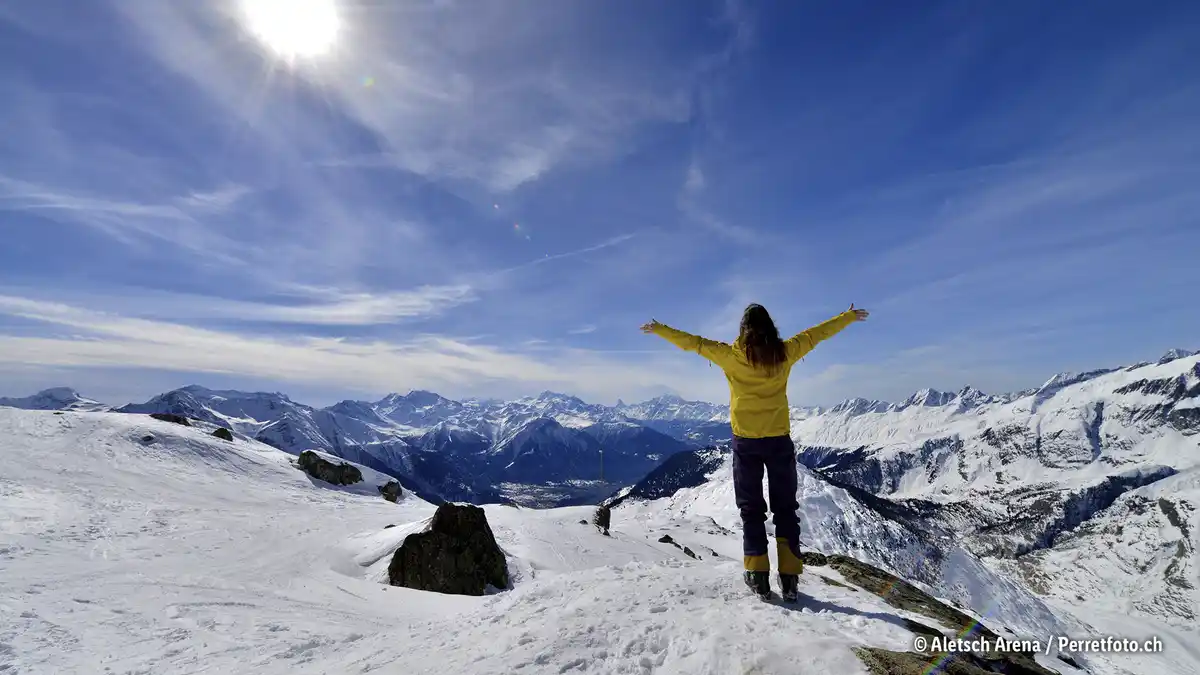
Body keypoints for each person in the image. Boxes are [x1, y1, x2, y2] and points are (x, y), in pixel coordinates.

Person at [641, 303, 869, 600]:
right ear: (771, 328)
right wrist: (847, 317)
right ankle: (789, 578)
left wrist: (660, 329)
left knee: (752, 510)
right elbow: (816, 335)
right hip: (778, 440)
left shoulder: (730, 356)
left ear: (743, 330)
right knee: (785, 509)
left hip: (746, 443)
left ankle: (758, 574)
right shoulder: (785, 352)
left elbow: (693, 343)